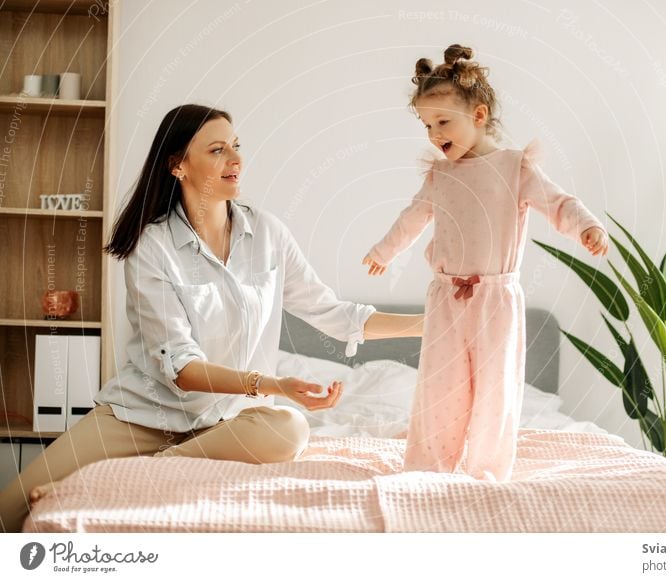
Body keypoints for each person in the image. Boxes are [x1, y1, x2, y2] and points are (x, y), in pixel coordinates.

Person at [0, 104, 423, 532]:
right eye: (218, 150)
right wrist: (272, 385)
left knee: (289, 428)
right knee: (10, 509)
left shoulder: (269, 235)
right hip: (144, 416)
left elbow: (335, 315)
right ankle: (134, 466)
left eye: (236, 147)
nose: (237, 160)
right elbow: (180, 369)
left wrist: (432, 321)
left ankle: (117, 480)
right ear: (178, 165)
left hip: (229, 424)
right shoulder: (153, 247)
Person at [363, 44, 609, 482]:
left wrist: (586, 227)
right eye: (426, 125)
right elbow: (414, 217)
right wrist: (384, 251)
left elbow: (558, 203)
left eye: (442, 122)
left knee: (495, 387)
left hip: (496, 297)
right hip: (445, 296)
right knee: (440, 386)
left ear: (477, 116)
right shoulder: (440, 174)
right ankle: (427, 467)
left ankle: (487, 470)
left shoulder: (515, 168)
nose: (434, 134)